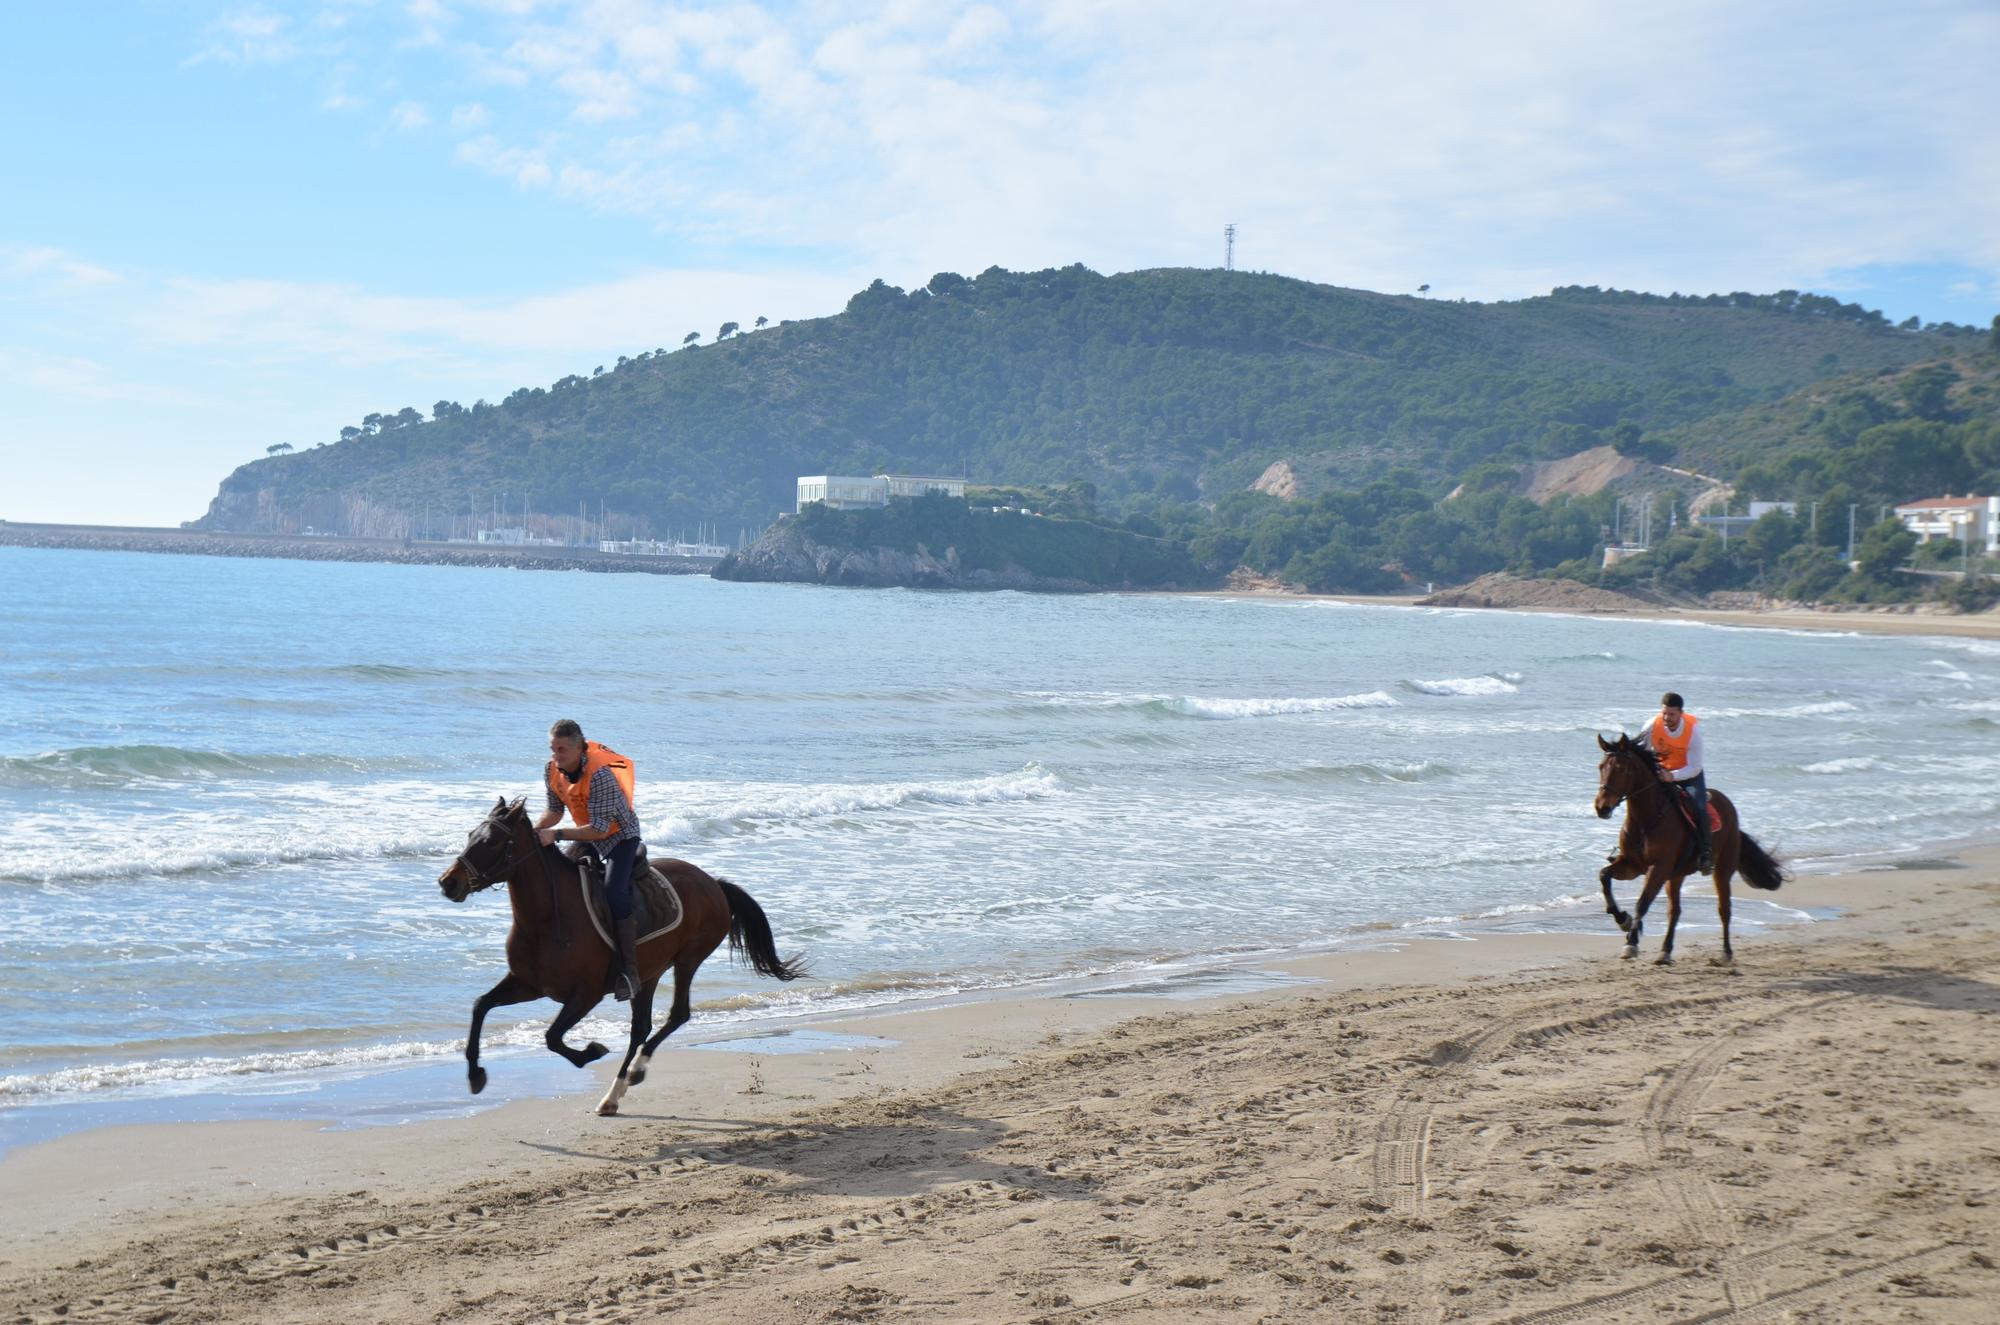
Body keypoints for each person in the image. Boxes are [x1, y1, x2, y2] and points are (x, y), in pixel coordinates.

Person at [534, 719, 644, 1001]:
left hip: (619, 836)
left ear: (579, 749)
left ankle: (629, 972)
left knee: (614, 893)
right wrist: (532, 832)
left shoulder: (601, 776)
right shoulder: (552, 770)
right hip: (586, 833)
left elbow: (601, 829)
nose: (555, 756)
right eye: (552, 749)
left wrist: (556, 835)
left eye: (561, 750)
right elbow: (554, 811)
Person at [1635, 690, 1710, 872]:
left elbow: (1695, 767)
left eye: (1672, 714)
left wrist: (1673, 777)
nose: (1667, 718)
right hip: (1661, 772)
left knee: (1699, 808)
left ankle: (1705, 854)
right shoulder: (1652, 725)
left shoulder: (1693, 732)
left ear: (1681, 714)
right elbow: (1640, 753)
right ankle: (1628, 847)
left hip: (1688, 775)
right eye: (1664, 713)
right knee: (1639, 801)